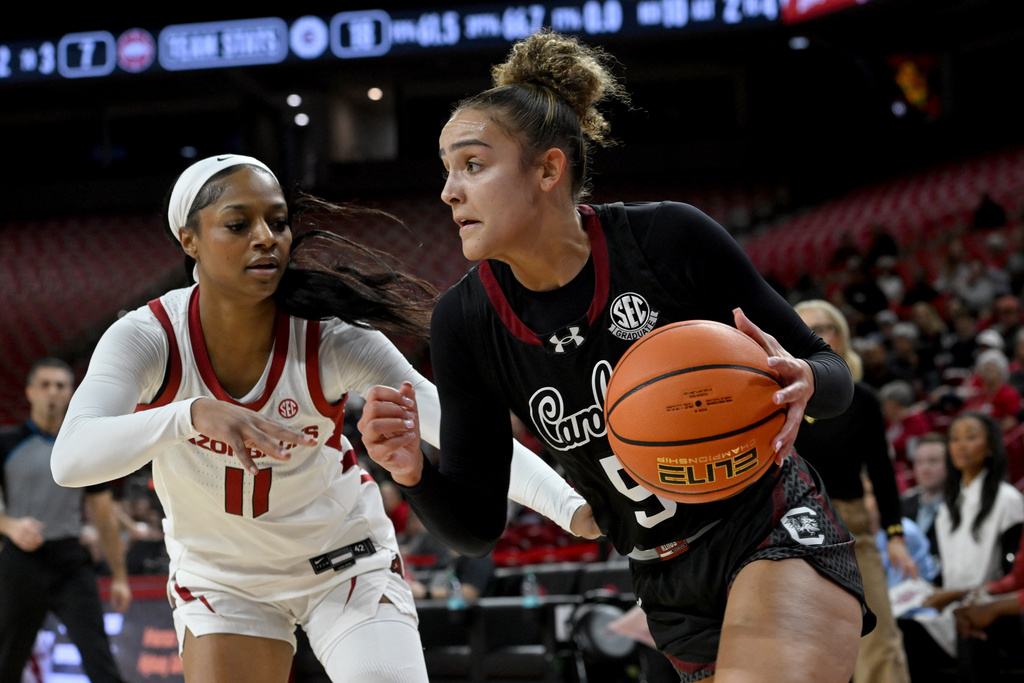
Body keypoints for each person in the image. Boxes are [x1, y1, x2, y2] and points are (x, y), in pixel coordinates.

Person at [360, 30, 874, 683]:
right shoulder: (465, 321)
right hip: (662, 578)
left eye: (472, 165)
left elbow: (831, 374)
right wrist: (412, 472)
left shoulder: (667, 240)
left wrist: (803, 377)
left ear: (547, 170)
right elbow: (476, 523)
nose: (448, 191)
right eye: (446, 169)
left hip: (768, 527)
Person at [49, 154, 597, 683]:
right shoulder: (148, 338)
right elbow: (71, 461)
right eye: (238, 224)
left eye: (278, 222)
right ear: (188, 239)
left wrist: (573, 509)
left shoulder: (331, 336)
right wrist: (191, 416)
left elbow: (455, 429)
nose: (266, 237)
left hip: (345, 564)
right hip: (224, 581)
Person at [793, 299, 916, 683]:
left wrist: (895, 536)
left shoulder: (863, 400)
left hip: (853, 526)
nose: (816, 335)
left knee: (879, 643)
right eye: (805, 328)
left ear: (841, 339)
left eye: (825, 328)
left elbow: (882, 473)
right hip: (789, 531)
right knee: (806, 651)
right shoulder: (772, 398)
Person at [0, 358, 131, 683]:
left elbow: (103, 514)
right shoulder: (6, 443)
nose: (53, 393)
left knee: (101, 661)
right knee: (5, 664)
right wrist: (10, 526)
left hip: (71, 563)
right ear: (30, 391)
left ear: (71, 393)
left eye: (60, 385)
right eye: (45, 385)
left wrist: (119, 576)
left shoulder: (83, 446)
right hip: (20, 562)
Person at [899, 432, 948, 558]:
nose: (925, 468)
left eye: (933, 461)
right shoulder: (903, 505)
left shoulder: (959, 506)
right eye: (919, 462)